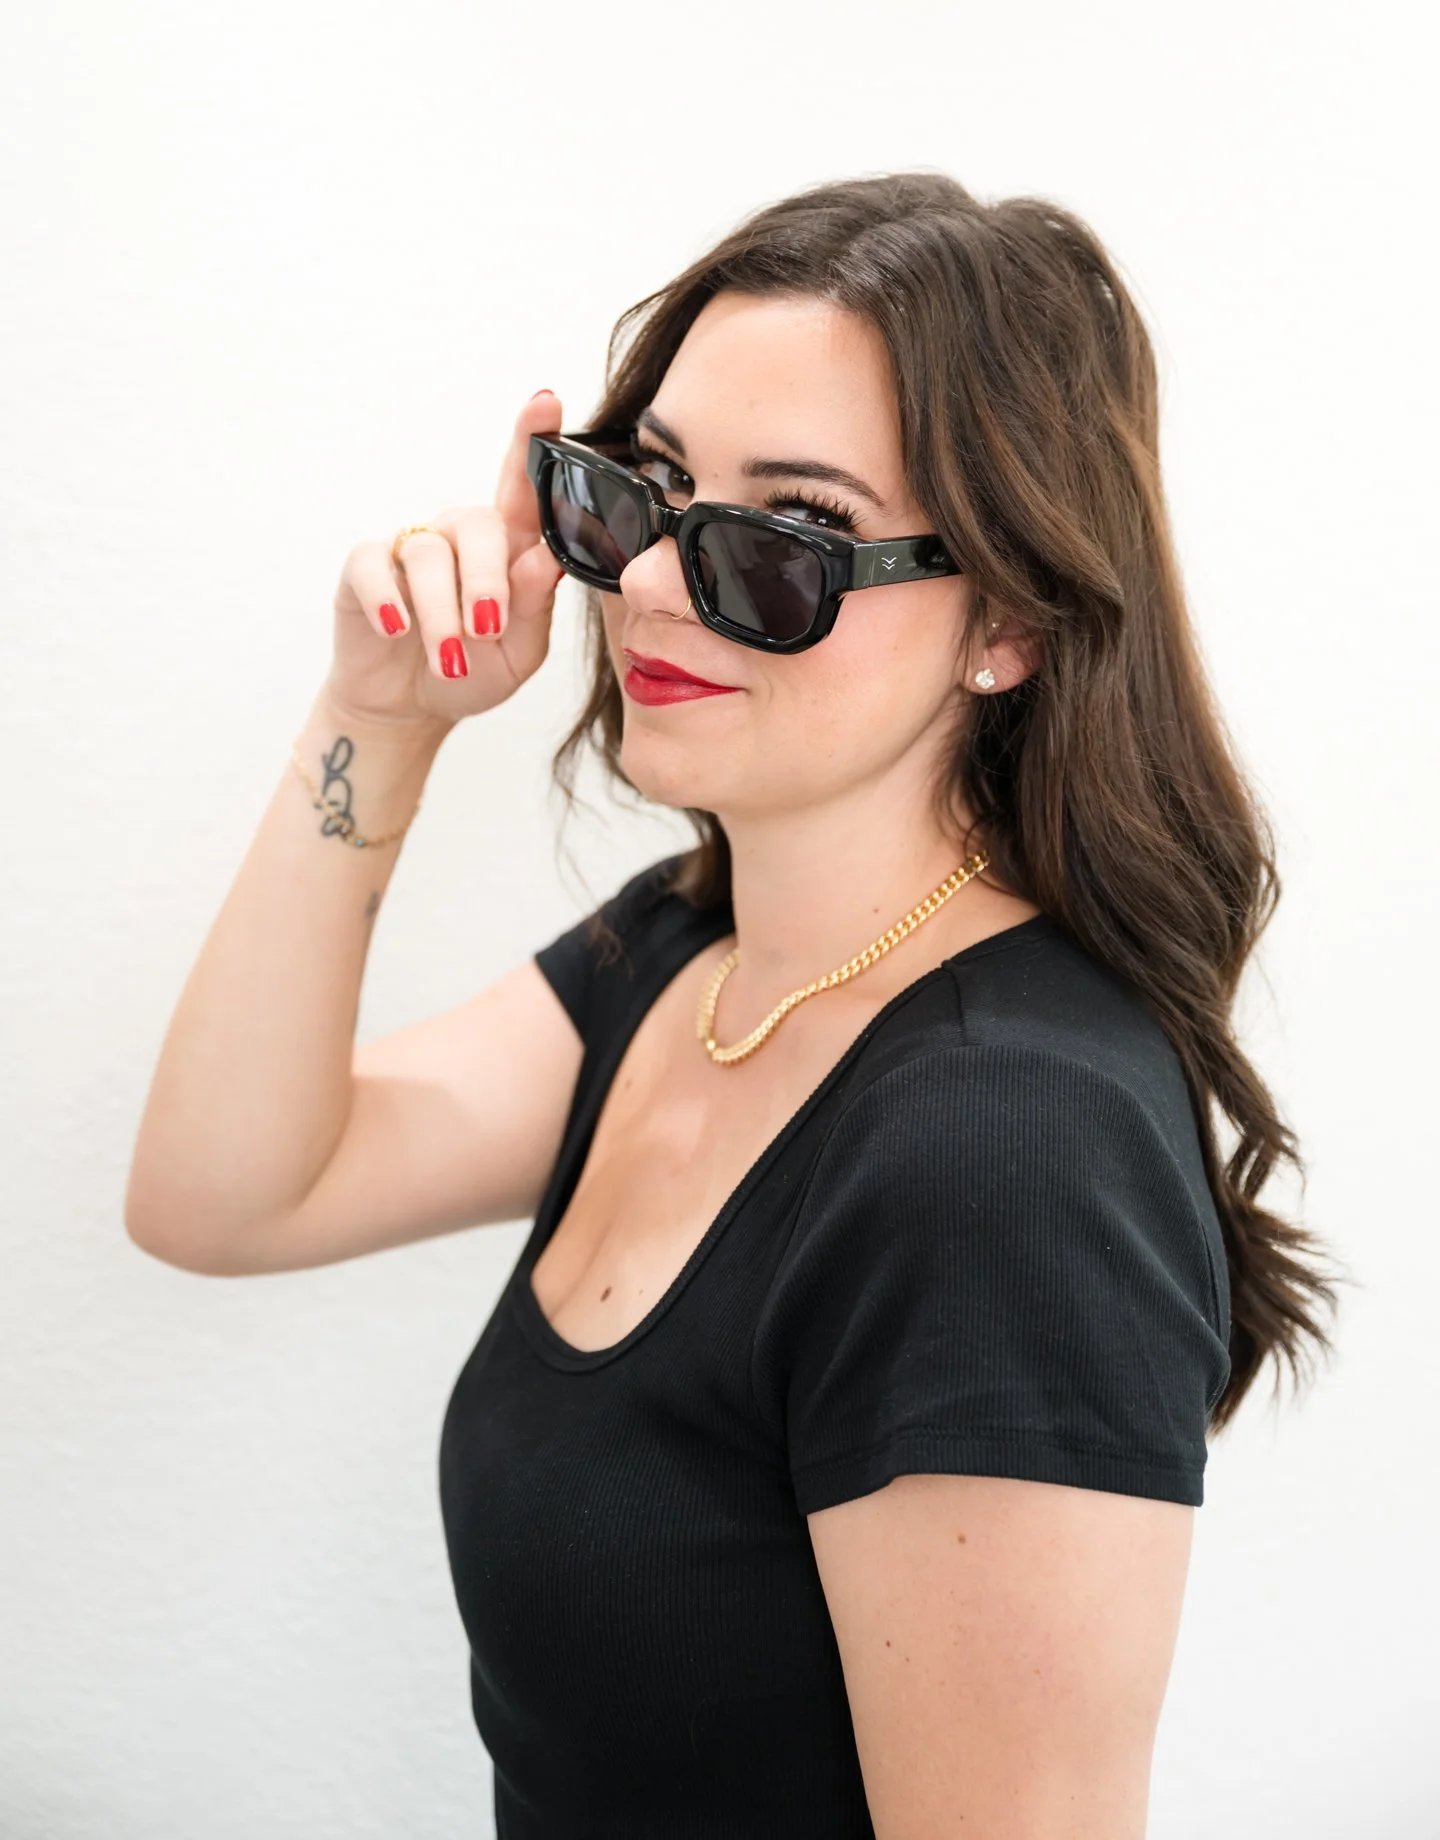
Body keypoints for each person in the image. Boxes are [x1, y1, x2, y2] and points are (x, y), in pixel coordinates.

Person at [125, 169, 1339, 1839]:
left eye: (793, 538)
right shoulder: (691, 964)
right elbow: (222, 1194)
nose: (654, 590)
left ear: (1009, 622)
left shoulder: (1007, 1152)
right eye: (643, 493)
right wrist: (380, 712)